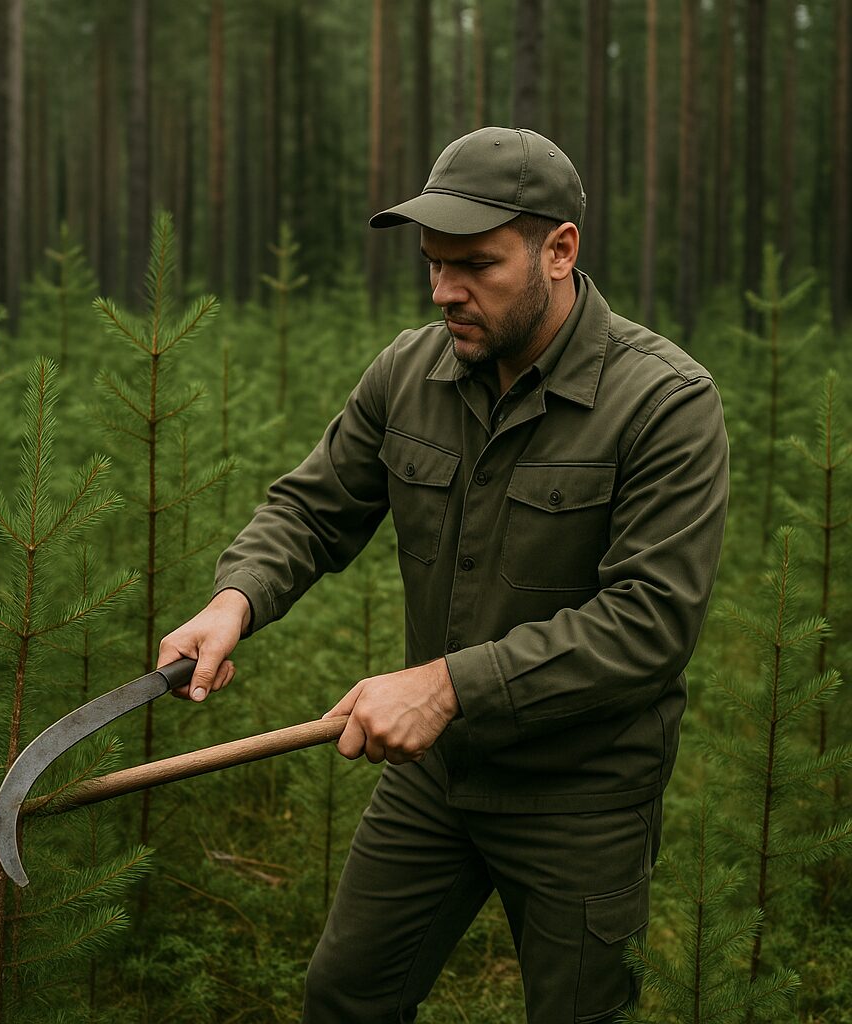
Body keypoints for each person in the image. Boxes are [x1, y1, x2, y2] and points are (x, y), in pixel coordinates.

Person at [158, 126, 729, 1023]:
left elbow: (649, 622)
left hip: (583, 793)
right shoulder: (411, 371)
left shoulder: (663, 403)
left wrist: (447, 686)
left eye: (475, 265)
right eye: (432, 264)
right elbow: (313, 509)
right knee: (345, 997)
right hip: (438, 778)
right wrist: (236, 599)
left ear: (560, 251)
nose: (445, 291)